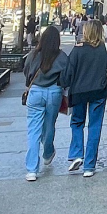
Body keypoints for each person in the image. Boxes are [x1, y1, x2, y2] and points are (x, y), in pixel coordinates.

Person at [64, 19, 107, 177]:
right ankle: (89, 166)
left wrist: (64, 85)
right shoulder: (105, 48)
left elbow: (68, 74)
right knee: (95, 126)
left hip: (79, 91)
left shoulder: (77, 49)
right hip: (99, 91)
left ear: (86, 32)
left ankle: (77, 154)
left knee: (77, 122)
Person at [23, 25, 68, 182]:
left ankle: (31, 170)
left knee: (33, 131)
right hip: (54, 92)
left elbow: (26, 71)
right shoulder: (62, 56)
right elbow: (66, 76)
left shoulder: (33, 55)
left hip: (35, 92)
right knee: (49, 125)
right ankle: (48, 153)